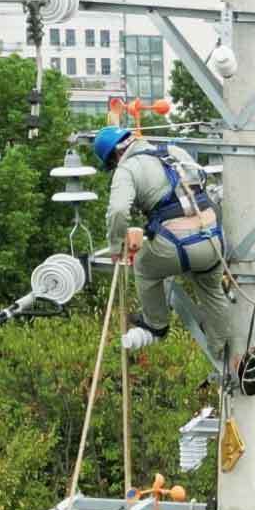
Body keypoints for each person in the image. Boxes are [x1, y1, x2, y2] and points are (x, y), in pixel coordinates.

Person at [94, 126, 241, 365]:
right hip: (213, 239)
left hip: (177, 244)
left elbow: (119, 211)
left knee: (143, 266)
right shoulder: (174, 151)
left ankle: (156, 323)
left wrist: (116, 245)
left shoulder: (127, 169)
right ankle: (221, 347)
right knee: (211, 289)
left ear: (115, 156)